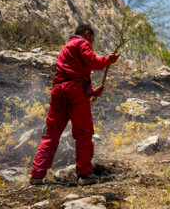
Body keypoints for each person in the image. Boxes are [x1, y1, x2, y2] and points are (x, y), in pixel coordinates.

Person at [30, 25, 120, 185]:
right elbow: (92, 62)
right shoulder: (82, 43)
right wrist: (108, 60)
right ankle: (84, 175)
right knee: (83, 133)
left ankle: (37, 175)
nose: (92, 42)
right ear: (87, 34)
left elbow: (71, 72)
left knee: (50, 135)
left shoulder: (65, 48)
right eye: (92, 38)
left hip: (58, 92)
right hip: (75, 92)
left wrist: (91, 92)